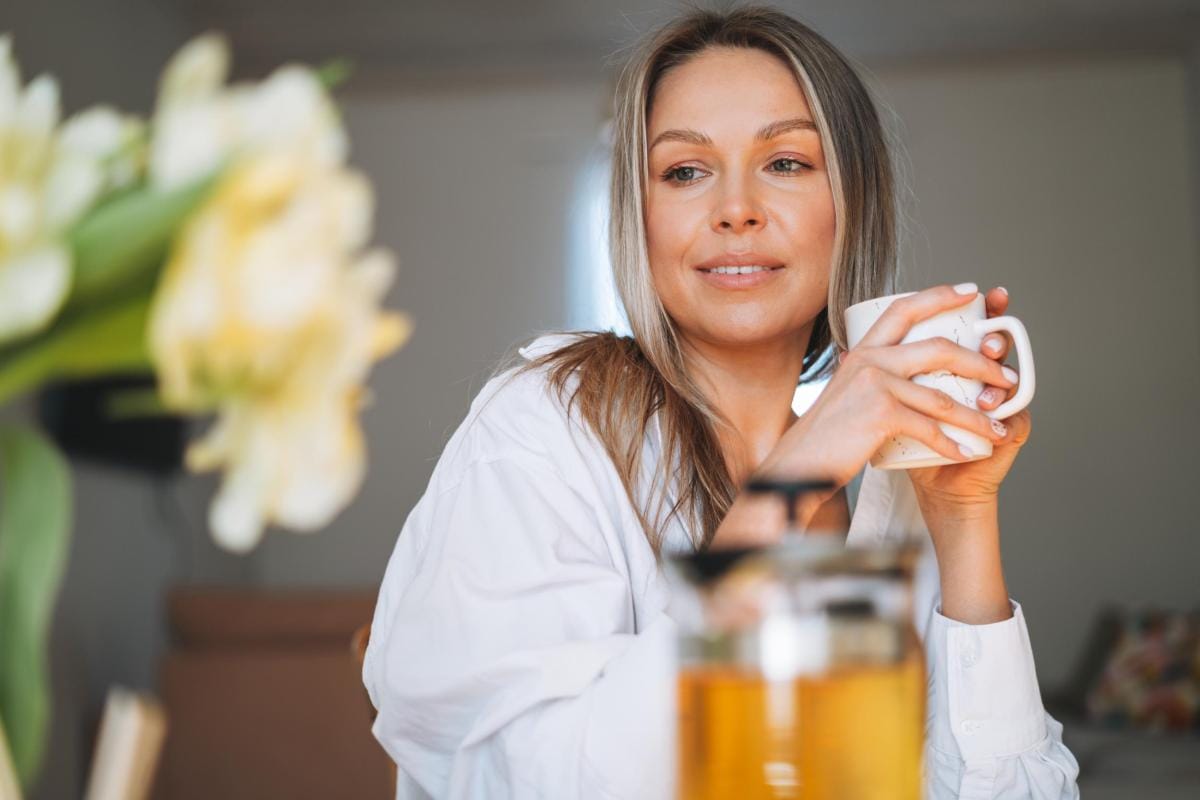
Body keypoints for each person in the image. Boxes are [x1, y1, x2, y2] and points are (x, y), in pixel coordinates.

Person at [363, 5, 1080, 798]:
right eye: (685, 171)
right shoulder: (547, 426)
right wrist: (792, 481)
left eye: (787, 163)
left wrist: (963, 518)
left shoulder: (885, 487)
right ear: (639, 216)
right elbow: (530, 778)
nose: (736, 209)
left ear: (852, 205)